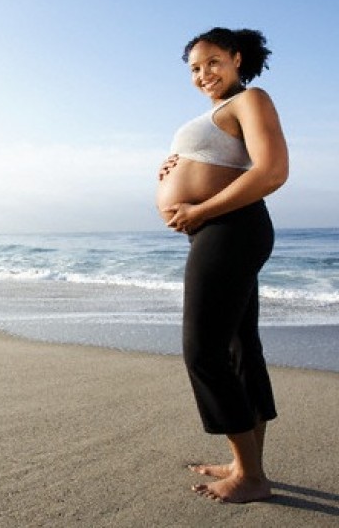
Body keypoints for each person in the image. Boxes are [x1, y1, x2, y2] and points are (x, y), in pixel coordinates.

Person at [156, 27, 289, 503]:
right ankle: (245, 462)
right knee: (239, 347)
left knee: (204, 351)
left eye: (213, 62)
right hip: (219, 230)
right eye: (194, 68)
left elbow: (272, 171)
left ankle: (251, 477)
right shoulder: (216, 113)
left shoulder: (251, 99)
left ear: (236, 58)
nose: (204, 73)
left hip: (230, 227)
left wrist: (198, 209)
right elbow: (219, 161)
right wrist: (176, 169)